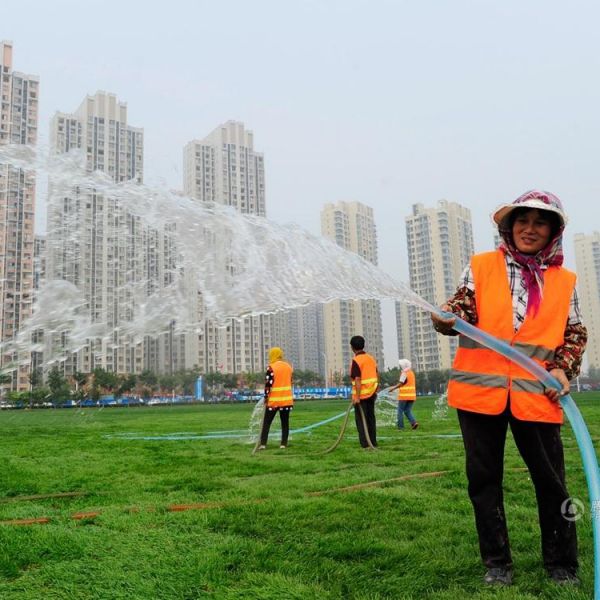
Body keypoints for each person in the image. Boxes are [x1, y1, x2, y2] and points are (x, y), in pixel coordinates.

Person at [431, 190, 587, 587]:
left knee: (552, 483)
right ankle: (497, 563)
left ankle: (562, 563)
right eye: (522, 221)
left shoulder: (563, 280)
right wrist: (447, 317)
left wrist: (564, 369)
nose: (529, 229)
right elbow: (463, 306)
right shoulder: (482, 266)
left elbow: (574, 332)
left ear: (553, 231)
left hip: (537, 394)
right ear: (509, 226)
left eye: (539, 223)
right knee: (483, 482)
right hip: (479, 395)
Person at [257, 347, 294, 450]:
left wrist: (266, 397)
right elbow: (291, 382)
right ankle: (283, 444)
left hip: (274, 401)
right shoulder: (288, 367)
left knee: (266, 422)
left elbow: (268, 385)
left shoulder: (271, 367)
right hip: (286, 400)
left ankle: (263, 444)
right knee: (285, 423)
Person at [349, 335, 379, 448]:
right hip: (372, 393)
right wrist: (376, 388)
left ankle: (365, 444)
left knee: (361, 420)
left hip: (362, 395)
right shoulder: (371, 358)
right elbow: (377, 374)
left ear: (352, 347)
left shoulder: (356, 360)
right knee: (371, 418)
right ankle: (373, 442)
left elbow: (357, 379)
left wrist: (356, 396)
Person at [389, 358, 418, 430]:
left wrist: (393, 388)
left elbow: (401, 383)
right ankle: (414, 423)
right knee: (407, 410)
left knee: (400, 411)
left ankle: (400, 427)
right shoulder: (411, 373)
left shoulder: (404, 373)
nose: (400, 366)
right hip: (412, 396)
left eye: (401, 365)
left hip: (404, 396)